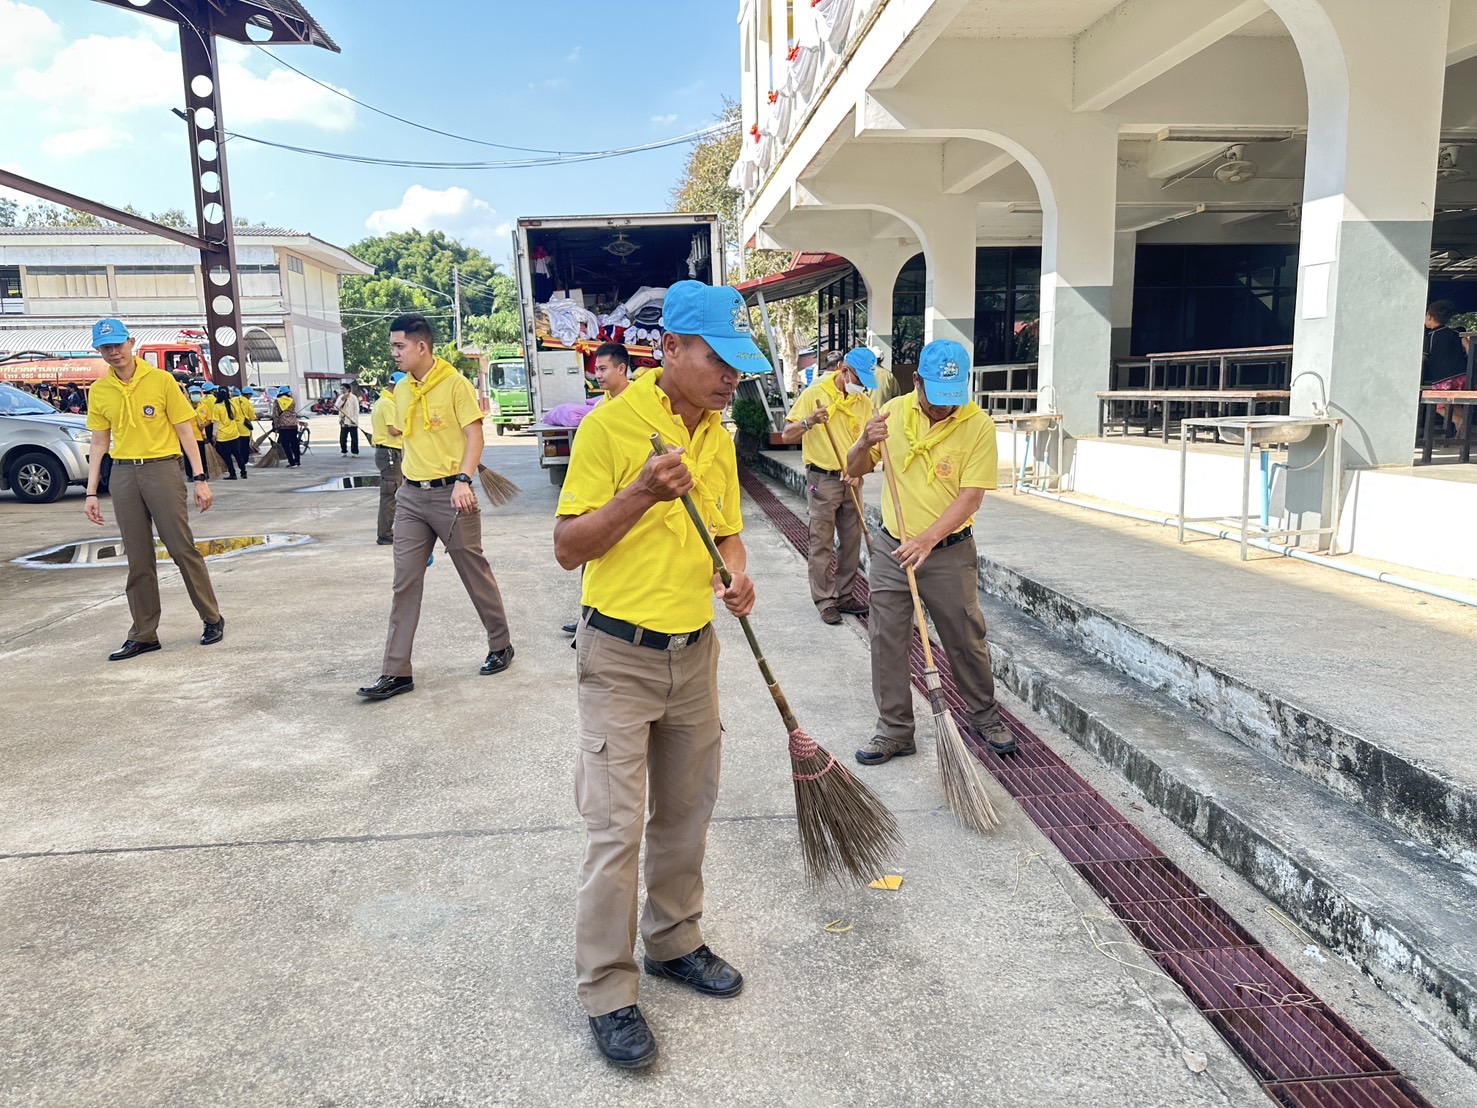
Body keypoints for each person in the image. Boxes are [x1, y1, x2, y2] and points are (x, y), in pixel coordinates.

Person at [553, 281, 761, 1070]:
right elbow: (569, 547)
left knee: (685, 812)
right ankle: (607, 989)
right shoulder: (611, 427)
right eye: (718, 360)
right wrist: (642, 492)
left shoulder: (717, 434)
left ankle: (674, 940)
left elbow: (728, 533)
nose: (731, 377)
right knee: (615, 830)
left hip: (693, 653)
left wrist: (735, 575)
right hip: (619, 658)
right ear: (670, 349)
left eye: (738, 364)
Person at [846, 337, 1015, 765]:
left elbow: (971, 497)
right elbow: (853, 469)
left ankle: (985, 717)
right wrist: (864, 442)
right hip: (893, 547)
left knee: (965, 638)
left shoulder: (977, 425)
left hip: (949, 552)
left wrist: (927, 540)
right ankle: (895, 730)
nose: (944, 407)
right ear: (917, 382)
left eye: (952, 397)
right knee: (886, 638)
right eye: (936, 397)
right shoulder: (891, 413)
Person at [357, 314, 514, 700]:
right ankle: (396, 671)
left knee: (473, 572)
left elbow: (475, 436)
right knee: (404, 583)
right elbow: (406, 435)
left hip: (452, 496)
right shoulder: (402, 389)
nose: (394, 353)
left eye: (399, 346)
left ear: (421, 346)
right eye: (393, 346)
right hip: (411, 497)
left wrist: (463, 479)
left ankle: (500, 644)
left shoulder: (455, 384)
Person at [82, 318, 224, 660]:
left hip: (162, 469)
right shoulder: (100, 390)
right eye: (106, 348)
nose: (114, 352)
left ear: (131, 343)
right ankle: (144, 633)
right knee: (138, 556)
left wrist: (200, 478)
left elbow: (185, 431)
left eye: (118, 345)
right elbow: (99, 442)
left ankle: (212, 618)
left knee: (181, 548)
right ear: (99, 351)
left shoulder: (161, 381)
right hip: (123, 473)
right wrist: (91, 492)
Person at [781, 346, 879, 624]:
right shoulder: (815, 394)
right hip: (822, 478)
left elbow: (869, 445)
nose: (862, 388)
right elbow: (787, 434)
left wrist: (860, 470)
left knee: (851, 540)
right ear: (844, 371)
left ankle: (845, 595)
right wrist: (810, 421)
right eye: (859, 380)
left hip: (852, 479)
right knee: (821, 541)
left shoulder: (864, 403)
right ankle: (825, 600)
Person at [559, 343, 636, 636]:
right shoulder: (600, 408)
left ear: (621, 369)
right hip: (600, 500)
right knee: (589, 558)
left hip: (631, 500)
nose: (598, 375)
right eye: (596, 369)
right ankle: (587, 616)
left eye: (603, 369)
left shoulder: (641, 405)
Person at [1423, 300, 1470, 439]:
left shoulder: (1430, 337)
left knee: (1439, 405)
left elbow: (1424, 358)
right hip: (1462, 376)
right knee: (1457, 402)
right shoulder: (1456, 333)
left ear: (1430, 316)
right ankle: (1462, 428)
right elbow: (1469, 348)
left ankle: (1457, 421)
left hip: (1443, 378)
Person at [370, 372, 406, 546]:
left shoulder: (381, 401)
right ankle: (385, 534)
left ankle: (388, 531)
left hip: (387, 452)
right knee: (390, 494)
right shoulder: (388, 404)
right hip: (390, 452)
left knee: (393, 492)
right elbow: (393, 430)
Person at [207, 386, 245, 480]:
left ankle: (232, 474)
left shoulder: (217, 407)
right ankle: (243, 472)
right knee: (237, 454)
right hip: (234, 433)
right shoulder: (233, 404)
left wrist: (214, 435)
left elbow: (216, 422)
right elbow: (237, 418)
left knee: (227, 456)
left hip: (223, 436)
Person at [184, 385, 210, 480]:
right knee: (188, 457)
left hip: (200, 436)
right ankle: (190, 475)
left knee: (201, 456)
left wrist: (203, 425)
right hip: (188, 436)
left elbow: (209, 419)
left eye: (197, 393)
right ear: (190, 395)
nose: (196, 395)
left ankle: (203, 473)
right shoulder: (186, 406)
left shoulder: (204, 407)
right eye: (193, 393)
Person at [272, 385, 302, 468]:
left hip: (283, 426)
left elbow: (275, 414)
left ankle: (291, 462)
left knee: (286, 444)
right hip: (293, 425)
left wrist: (276, 426)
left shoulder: (277, 401)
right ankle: (297, 461)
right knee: (294, 443)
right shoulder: (292, 400)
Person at [232, 387, 256, 473]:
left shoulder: (234, 400)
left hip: (234, 426)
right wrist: (254, 417)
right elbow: (252, 416)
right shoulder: (248, 403)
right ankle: (245, 461)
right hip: (244, 427)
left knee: (237, 445)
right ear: (248, 395)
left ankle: (239, 460)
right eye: (251, 395)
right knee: (245, 445)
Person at [336, 382, 362, 456]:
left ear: (348, 389)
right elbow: (336, 407)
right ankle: (344, 451)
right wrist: (342, 400)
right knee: (343, 438)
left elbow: (356, 409)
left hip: (352, 420)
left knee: (354, 437)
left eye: (343, 389)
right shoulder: (340, 397)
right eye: (341, 389)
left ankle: (354, 451)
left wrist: (354, 419)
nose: (342, 390)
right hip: (343, 420)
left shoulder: (353, 398)